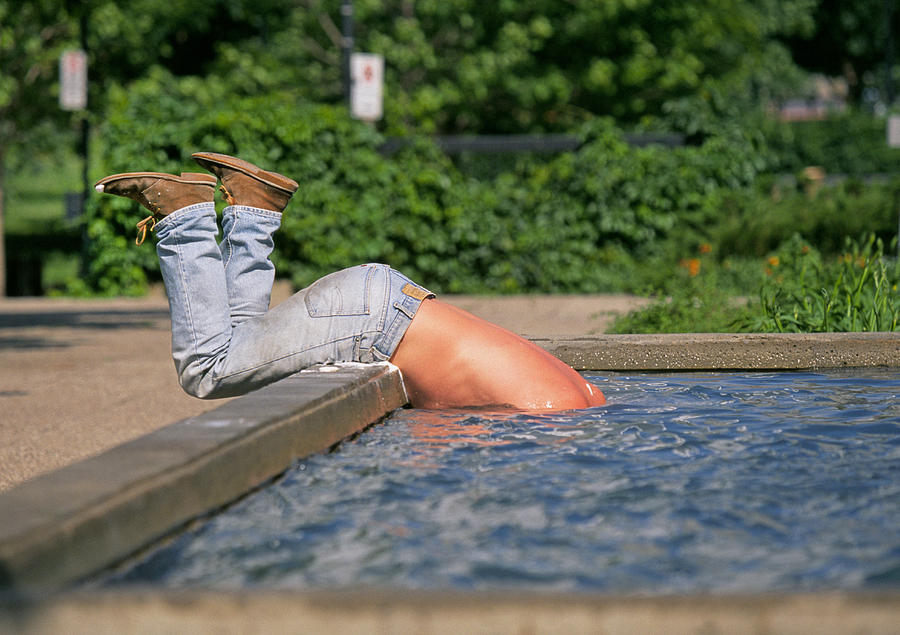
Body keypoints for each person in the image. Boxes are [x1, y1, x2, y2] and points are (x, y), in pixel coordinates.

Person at [95, 152, 606, 411]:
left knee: (242, 347)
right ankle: (184, 218)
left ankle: (254, 207)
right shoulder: (551, 419)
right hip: (373, 324)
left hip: (386, 303)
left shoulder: (585, 395)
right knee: (207, 370)